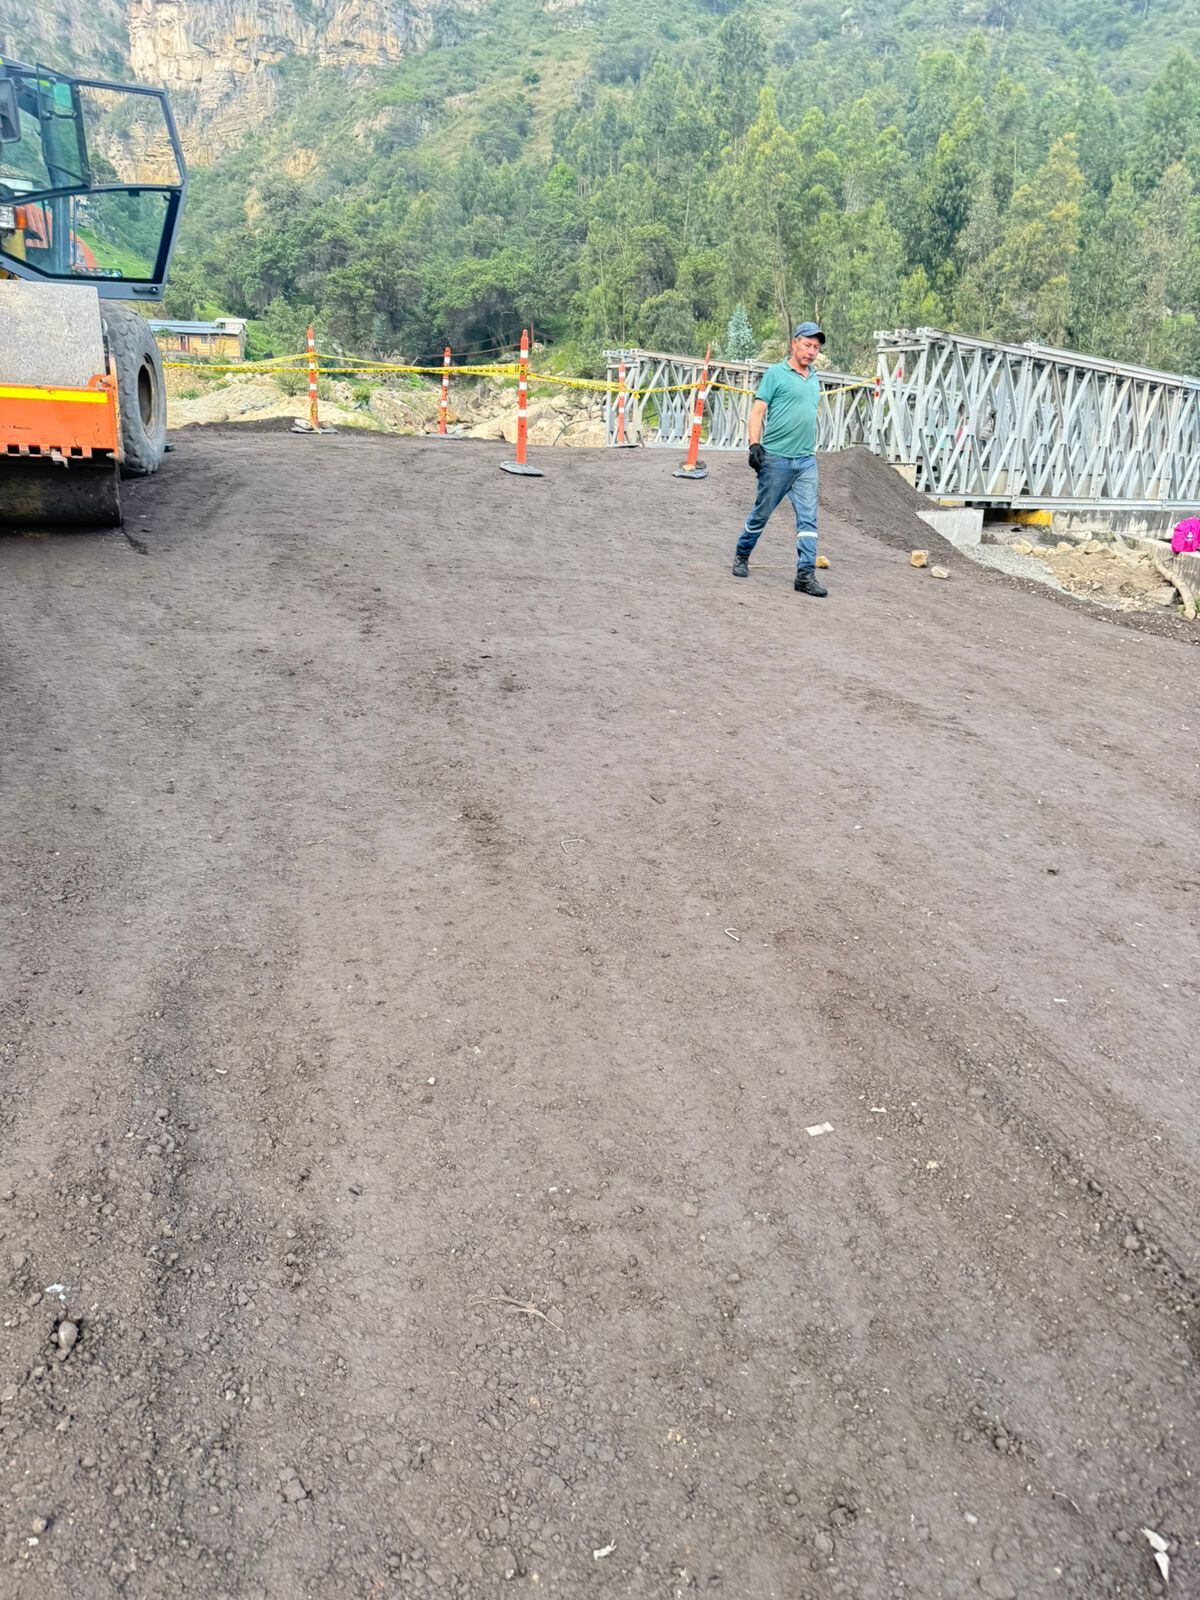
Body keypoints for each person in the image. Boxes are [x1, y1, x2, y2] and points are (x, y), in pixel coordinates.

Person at [731, 321, 827, 596]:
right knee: (762, 513)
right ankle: (742, 553)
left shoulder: (815, 377)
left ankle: (805, 575)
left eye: (816, 348)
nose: (811, 352)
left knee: (808, 519)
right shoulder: (775, 374)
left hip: (806, 461)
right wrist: (754, 445)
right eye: (807, 345)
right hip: (776, 460)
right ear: (794, 344)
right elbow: (758, 411)